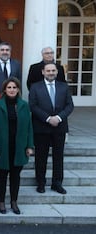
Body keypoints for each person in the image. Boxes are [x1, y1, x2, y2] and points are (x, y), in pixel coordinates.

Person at [0, 77, 34, 215]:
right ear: (4, 89)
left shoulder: (24, 105)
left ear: (18, 89)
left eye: (14, 87)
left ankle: (14, 201)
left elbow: (29, 127)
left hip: (18, 146)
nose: (12, 90)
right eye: (9, 87)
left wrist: (29, 145)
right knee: (1, 176)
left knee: (16, 176)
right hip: (3, 147)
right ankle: (1, 201)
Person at [29, 63, 74, 195]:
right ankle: (41, 182)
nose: (51, 73)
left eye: (53, 70)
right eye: (48, 70)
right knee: (41, 156)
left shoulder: (64, 86)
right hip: (41, 127)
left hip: (59, 127)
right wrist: (48, 118)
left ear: (57, 72)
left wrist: (58, 118)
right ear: (43, 72)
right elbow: (33, 105)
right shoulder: (35, 87)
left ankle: (57, 183)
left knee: (58, 156)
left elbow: (69, 105)